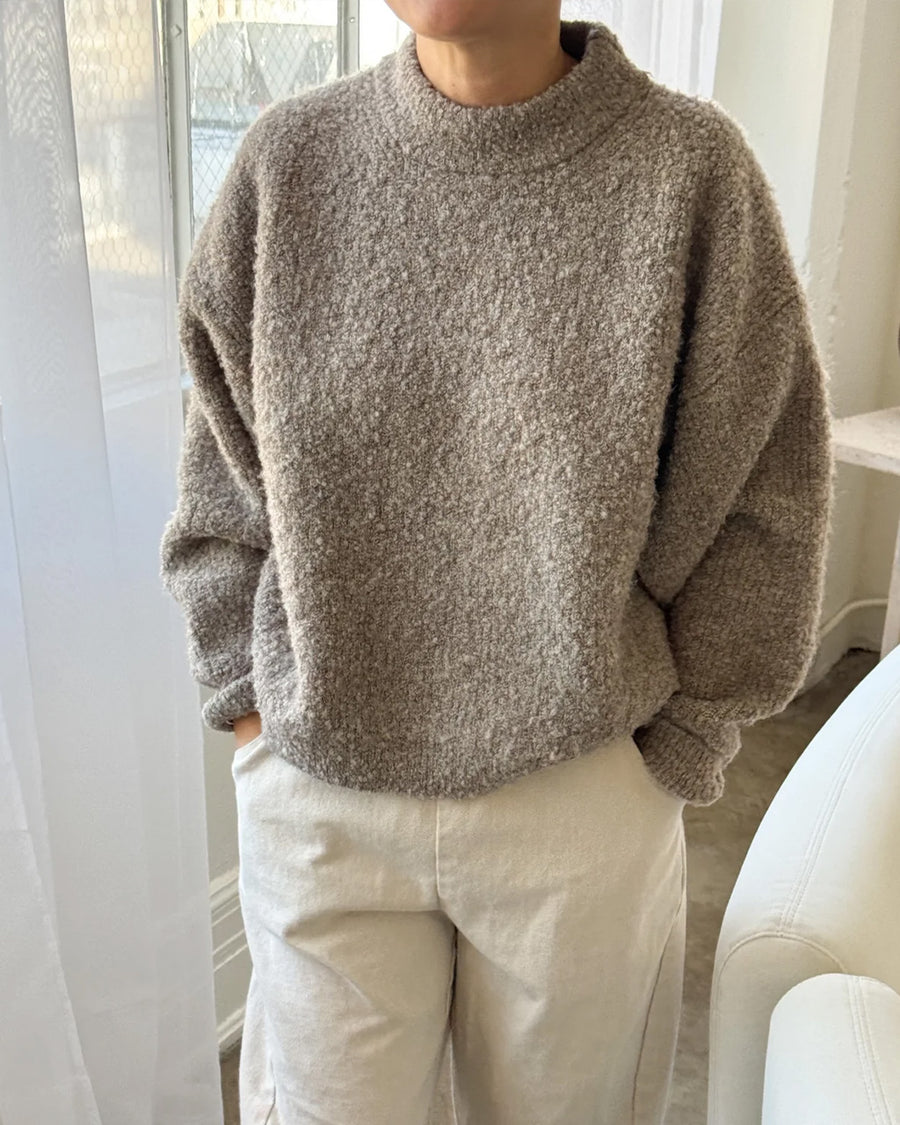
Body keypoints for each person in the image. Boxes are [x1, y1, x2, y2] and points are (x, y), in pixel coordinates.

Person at [159, 2, 835, 1122]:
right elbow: (223, 480)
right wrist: (248, 709)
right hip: (322, 784)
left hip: (582, 790)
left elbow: (763, 494)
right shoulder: (289, 166)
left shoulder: (689, 176)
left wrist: (681, 741)